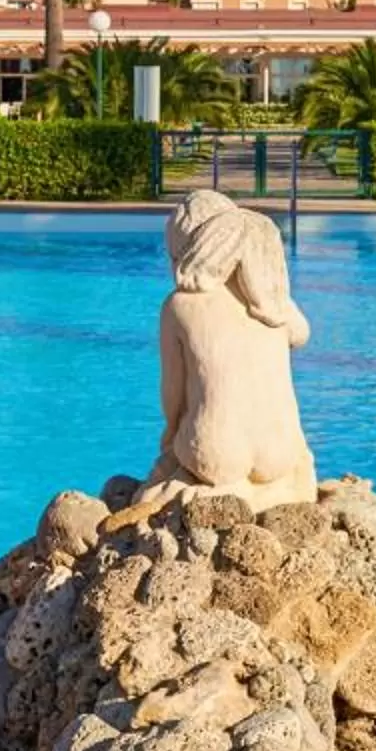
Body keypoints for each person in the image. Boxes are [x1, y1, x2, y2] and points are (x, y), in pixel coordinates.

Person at [146, 190, 317, 512]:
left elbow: (173, 392)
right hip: (282, 449)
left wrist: (171, 434)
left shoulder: (179, 305)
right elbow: (301, 335)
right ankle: (274, 491)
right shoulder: (272, 301)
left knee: (159, 480)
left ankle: (226, 495)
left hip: (217, 453)